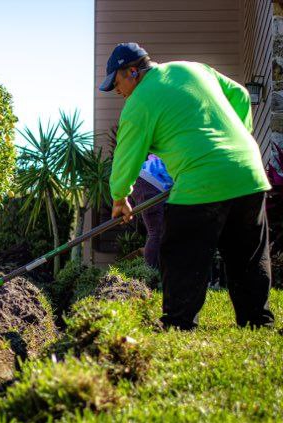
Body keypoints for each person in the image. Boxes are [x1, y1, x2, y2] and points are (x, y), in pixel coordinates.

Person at [100, 42, 274, 330]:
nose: (117, 91)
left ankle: (179, 324)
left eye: (116, 83)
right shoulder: (193, 69)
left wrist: (120, 198)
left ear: (133, 71)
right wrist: (238, 139)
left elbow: (126, 158)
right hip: (248, 170)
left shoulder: (139, 102)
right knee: (247, 253)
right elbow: (242, 95)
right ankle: (257, 321)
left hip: (200, 179)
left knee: (181, 253)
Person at [129, 154, 173, 269]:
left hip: (142, 178)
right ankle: (150, 273)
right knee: (156, 232)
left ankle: (156, 270)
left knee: (157, 231)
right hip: (150, 182)